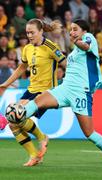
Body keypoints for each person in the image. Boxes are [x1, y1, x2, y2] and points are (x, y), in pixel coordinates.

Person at [8, 19, 102, 169]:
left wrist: (76, 40)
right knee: (38, 101)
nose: (72, 32)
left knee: (89, 133)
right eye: (71, 29)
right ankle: (14, 117)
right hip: (65, 88)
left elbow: (85, 46)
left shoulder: (89, 37)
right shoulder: (73, 52)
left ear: (84, 30)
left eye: (75, 29)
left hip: (81, 92)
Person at [0, 18, 66, 166]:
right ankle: (34, 155)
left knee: (16, 116)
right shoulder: (27, 49)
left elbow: (66, 63)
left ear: (41, 31)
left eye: (32, 32)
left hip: (46, 93)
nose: (29, 35)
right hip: (31, 89)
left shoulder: (50, 46)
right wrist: (5, 84)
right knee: (13, 123)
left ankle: (42, 137)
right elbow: (21, 69)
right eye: (27, 32)